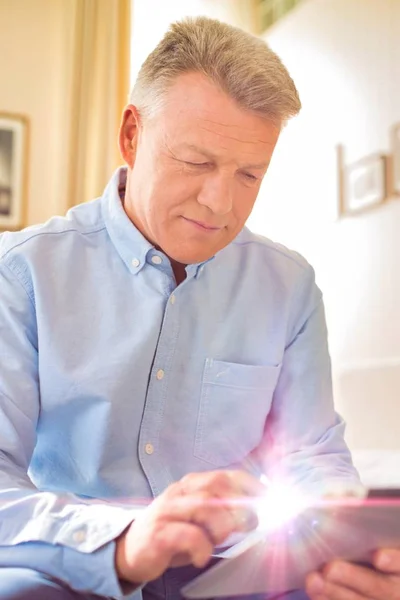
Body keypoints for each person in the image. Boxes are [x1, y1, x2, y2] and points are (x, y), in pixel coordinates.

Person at [0, 15, 399, 600]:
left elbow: (313, 454)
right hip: (77, 563)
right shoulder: (23, 273)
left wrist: (344, 543)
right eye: (196, 162)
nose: (220, 203)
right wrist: (125, 543)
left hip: (236, 569)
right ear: (132, 136)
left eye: (249, 174)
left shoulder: (288, 286)